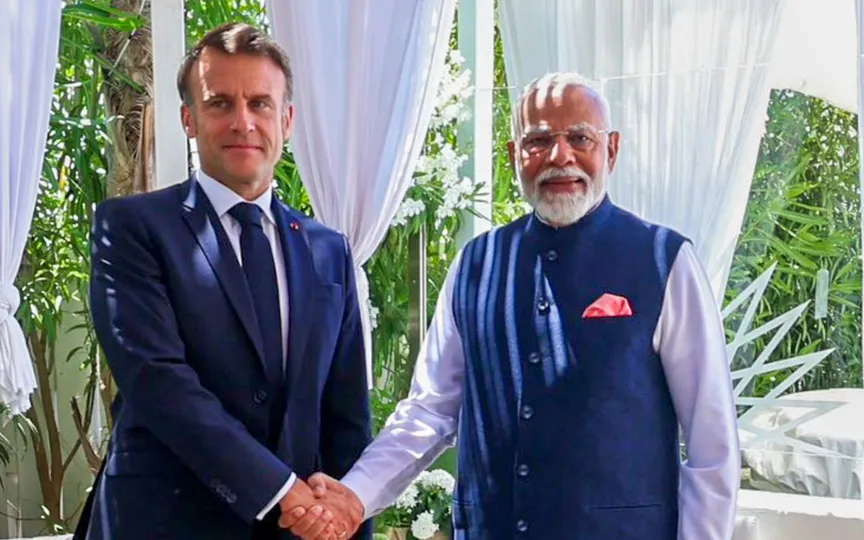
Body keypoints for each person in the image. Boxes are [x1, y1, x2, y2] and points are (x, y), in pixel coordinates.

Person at [282, 72, 741, 539]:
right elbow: (430, 410)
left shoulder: (664, 260)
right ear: (514, 156)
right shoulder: (475, 264)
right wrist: (356, 494)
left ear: (612, 149)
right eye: (538, 140)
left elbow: (712, 444)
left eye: (580, 137)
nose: (560, 156)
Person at [78, 22, 371, 540]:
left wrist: (347, 523)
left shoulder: (329, 251)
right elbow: (158, 382)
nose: (243, 121)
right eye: (220, 104)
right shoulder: (131, 228)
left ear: (287, 119)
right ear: (189, 119)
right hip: (162, 523)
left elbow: (345, 418)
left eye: (260, 103)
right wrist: (282, 491)